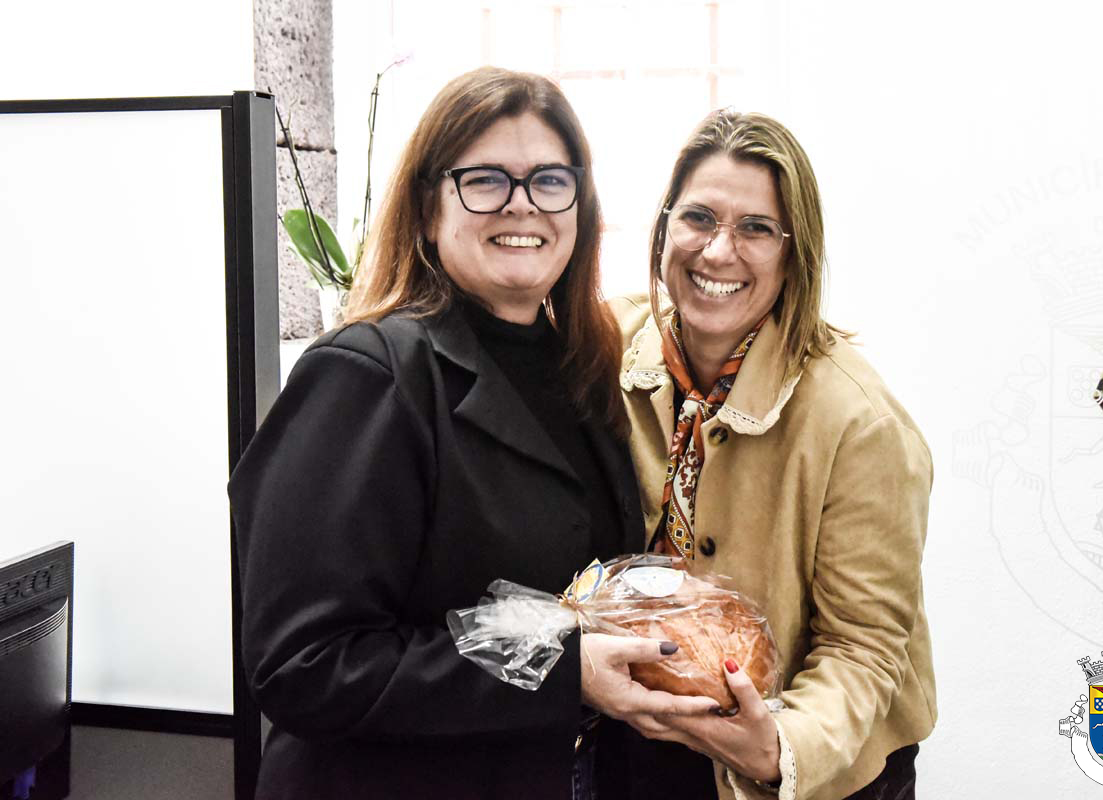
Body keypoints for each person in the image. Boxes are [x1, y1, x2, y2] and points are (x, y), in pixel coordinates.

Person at [229, 67, 715, 800]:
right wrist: (564, 672)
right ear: (429, 208)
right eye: (486, 180)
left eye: (550, 181)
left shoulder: (583, 370)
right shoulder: (367, 376)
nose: (523, 204)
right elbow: (303, 666)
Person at [611, 109, 937, 800]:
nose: (717, 252)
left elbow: (864, 649)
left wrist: (781, 750)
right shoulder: (606, 344)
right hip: (651, 746)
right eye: (698, 217)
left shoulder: (861, 423)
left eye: (756, 228)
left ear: (796, 255)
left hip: (811, 772)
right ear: (664, 227)